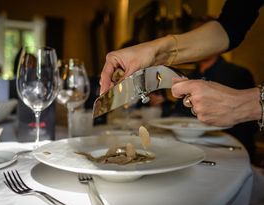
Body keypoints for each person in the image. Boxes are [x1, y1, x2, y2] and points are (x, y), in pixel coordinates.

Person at [99, 0, 264, 130]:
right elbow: (230, 27)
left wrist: (248, 104)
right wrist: (154, 51)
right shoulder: (190, 76)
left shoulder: (237, 74)